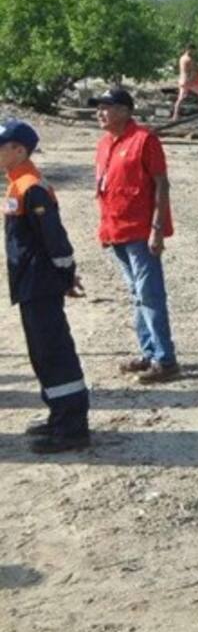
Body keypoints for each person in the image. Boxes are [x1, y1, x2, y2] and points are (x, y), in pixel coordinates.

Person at [1, 119, 90, 453]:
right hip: (30, 282)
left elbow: (54, 237)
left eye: (1, 146)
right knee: (41, 352)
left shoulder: (30, 186)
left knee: (54, 352)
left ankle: (72, 428)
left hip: (40, 282)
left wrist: (66, 274)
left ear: (19, 150)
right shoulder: (17, 183)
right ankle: (59, 415)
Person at [91, 86, 180, 383]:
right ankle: (149, 351)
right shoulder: (105, 143)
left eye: (107, 107)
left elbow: (161, 185)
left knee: (150, 294)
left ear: (125, 111)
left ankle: (165, 360)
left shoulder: (144, 140)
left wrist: (157, 229)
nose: (100, 113)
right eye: (99, 107)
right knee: (137, 295)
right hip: (115, 229)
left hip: (141, 232)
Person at [171, 43, 198, 120]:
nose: (194, 53)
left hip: (182, 79)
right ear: (190, 49)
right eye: (193, 51)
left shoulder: (181, 58)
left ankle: (175, 115)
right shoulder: (189, 59)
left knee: (180, 98)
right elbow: (194, 70)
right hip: (188, 81)